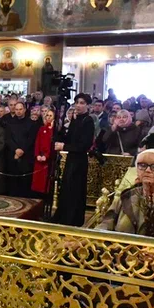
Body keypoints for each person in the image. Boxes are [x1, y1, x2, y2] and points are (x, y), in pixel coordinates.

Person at [54, 94, 96, 226]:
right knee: (67, 188)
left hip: (79, 160)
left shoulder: (88, 121)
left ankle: (73, 220)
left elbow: (84, 145)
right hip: (71, 159)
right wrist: (60, 129)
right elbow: (69, 138)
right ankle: (63, 217)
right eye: (77, 102)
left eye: (82, 103)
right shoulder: (75, 118)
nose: (78, 105)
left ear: (88, 105)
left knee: (75, 190)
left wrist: (64, 146)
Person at [4, 101, 39, 197]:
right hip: (12, 155)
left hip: (26, 156)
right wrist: (15, 149)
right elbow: (8, 138)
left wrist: (22, 150)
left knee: (25, 183)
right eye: (16, 109)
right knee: (12, 182)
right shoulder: (9, 123)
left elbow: (31, 139)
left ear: (24, 110)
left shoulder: (31, 123)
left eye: (20, 109)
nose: (18, 111)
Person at [31, 107, 56, 197]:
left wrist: (46, 155)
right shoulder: (42, 129)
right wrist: (37, 155)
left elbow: (52, 145)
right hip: (39, 158)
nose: (48, 117)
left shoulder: (55, 131)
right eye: (47, 116)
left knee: (46, 182)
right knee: (38, 181)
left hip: (48, 159)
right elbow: (37, 143)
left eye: (50, 116)